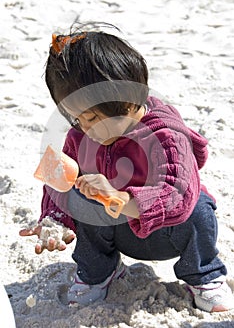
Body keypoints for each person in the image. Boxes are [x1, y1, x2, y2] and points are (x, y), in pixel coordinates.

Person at [20, 23, 234, 312]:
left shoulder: (167, 137)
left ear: (131, 103)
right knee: (83, 198)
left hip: (168, 231)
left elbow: (177, 195)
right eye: (75, 119)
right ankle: (98, 274)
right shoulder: (81, 136)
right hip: (119, 232)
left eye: (93, 117)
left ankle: (204, 276)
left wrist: (120, 198)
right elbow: (60, 182)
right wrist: (54, 219)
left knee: (199, 208)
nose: (85, 129)